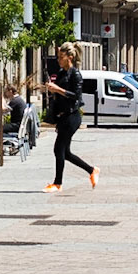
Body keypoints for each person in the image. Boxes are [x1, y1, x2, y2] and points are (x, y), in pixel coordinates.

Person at [43, 42, 98, 191]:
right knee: (65, 152)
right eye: (58, 57)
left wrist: (58, 89)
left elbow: (76, 97)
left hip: (72, 117)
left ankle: (57, 183)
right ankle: (92, 170)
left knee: (58, 149)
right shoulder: (61, 73)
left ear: (70, 57)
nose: (59, 60)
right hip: (62, 117)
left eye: (61, 57)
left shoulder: (75, 74)